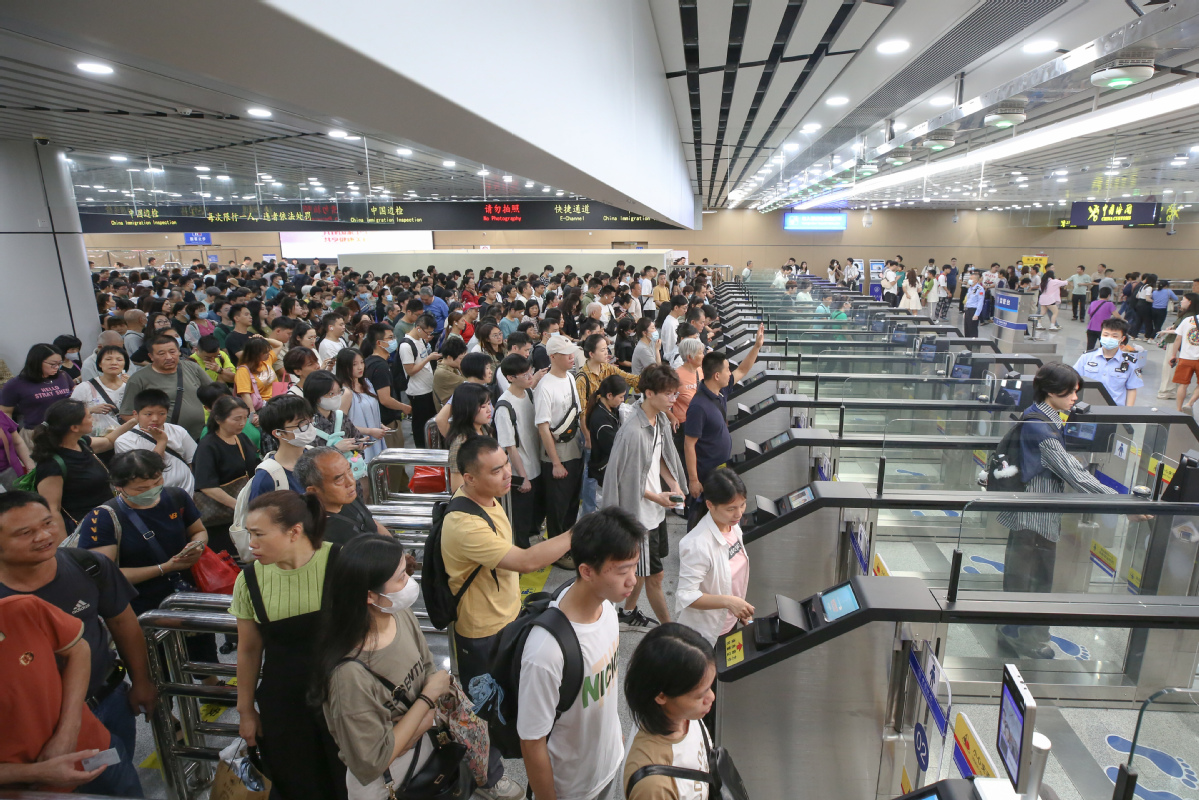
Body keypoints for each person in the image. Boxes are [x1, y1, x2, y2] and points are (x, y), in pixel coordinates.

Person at [441, 436, 571, 800]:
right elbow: (528, 561)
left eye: (505, 465)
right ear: (468, 477)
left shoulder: (490, 499)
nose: (506, 474)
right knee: (484, 709)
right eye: (495, 470)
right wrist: (576, 535)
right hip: (480, 632)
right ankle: (488, 778)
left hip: (506, 618)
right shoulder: (463, 523)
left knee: (507, 699)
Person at [0, 492, 155, 795]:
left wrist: (142, 681)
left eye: (47, 523)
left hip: (108, 700)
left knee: (117, 778)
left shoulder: (88, 565)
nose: (44, 536)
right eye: (26, 532)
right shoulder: (8, 605)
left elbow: (123, 624)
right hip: (34, 730)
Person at [314, 535, 455, 800]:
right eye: (401, 577)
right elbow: (373, 761)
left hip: (423, 754)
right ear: (370, 595)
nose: (409, 584)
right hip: (385, 784)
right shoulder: (348, 674)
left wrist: (410, 729)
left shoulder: (397, 613)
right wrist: (426, 703)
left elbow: (426, 668)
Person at [231, 490, 349, 800]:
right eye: (248, 534)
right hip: (284, 703)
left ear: (294, 531)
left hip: (343, 697)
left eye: (258, 535)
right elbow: (248, 649)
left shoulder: (341, 563)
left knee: (348, 779)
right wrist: (246, 711)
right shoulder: (250, 580)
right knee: (299, 781)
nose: (250, 544)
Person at [518, 507, 641, 800]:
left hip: (607, 765)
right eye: (623, 571)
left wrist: (613, 738)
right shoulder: (545, 652)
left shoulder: (607, 608)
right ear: (586, 571)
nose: (633, 581)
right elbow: (532, 741)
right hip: (570, 788)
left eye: (634, 568)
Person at [996, 363, 1116, 658]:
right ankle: (1023, 638)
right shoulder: (1042, 427)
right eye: (1071, 390)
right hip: (1036, 519)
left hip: (1026, 513)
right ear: (1051, 390)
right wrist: (1119, 501)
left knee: (1020, 576)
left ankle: (1011, 631)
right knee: (1033, 579)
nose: (1076, 397)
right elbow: (1075, 475)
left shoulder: (1035, 415)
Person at [0, 594, 142, 797]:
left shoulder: (20, 609)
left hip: (94, 751)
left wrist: (68, 732)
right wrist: (35, 773)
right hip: (28, 790)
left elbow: (78, 649)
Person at [602, 364, 686, 631]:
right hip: (641, 517)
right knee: (656, 576)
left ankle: (626, 613)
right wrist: (656, 497)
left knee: (642, 568)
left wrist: (673, 484)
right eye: (669, 394)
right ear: (649, 393)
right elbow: (628, 482)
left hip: (655, 510)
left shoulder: (657, 419)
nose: (673, 399)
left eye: (675, 393)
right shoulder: (633, 432)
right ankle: (670, 629)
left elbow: (657, 458)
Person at [622, 623, 716, 800]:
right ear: (661, 696)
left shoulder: (684, 716)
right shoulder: (653, 787)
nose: (711, 697)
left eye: (710, 687)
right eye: (699, 696)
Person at [682, 326, 764, 526]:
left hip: (720, 467)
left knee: (715, 516)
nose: (730, 373)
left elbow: (743, 369)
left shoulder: (720, 392)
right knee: (701, 514)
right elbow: (689, 444)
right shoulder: (698, 406)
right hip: (706, 472)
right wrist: (693, 480)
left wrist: (756, 346)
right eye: (727, 369)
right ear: (716, 375)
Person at [32, 399, 134, 538]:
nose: (92, 419)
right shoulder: (52, 465)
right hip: (87, 530)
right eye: (88, 416)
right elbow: (52, 509)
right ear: (74, 427)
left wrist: (133, 422)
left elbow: (108, 441)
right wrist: (65, 550)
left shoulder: (81, 443)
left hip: (108, 519)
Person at [675, 468, 753, 646]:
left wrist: (737, 608)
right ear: (710, 505)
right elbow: (686, 595)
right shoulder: (696, 544)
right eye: (731, 509)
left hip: (730, 621)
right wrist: (729, 602)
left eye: (742, 505)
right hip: (708, 631)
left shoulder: (732, 525)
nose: (739, 514)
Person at [536, 336, 585, 553]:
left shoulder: (570, 378)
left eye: (572, 353)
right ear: (553, 357)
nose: (572, 358)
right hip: (558, 451)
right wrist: (555, 462)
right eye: (567, 354)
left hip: (575, 446)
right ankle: (556, 551)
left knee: (572, 501)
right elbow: (543, 427)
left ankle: (568, 544)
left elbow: (577, 411)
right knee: (558, 505)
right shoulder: (545, 386)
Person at [192, 395, 259, 555]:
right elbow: (207, 486)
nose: (242, 423)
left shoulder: (241, 437)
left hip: (243, 511)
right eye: (236, 419)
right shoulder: (208, 446)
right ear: (218, 419)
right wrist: (239, 506)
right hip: (221, 519)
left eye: (244, 418)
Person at [119, 334, 213, 441]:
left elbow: (214, 393)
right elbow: (126, 414)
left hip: (199, 435)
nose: (168, 357)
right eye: (161, 354)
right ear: (151, 356)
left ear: (179, 352)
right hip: (165, 440)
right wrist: (153, 431)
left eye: (172, 352)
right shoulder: (138, 379)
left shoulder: (192, 368)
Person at [496, 354, 544, 548]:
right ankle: (522, 553)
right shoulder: (504, 406)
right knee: (521, 518)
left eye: (530, 372)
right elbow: (510, 446)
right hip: (521, 471)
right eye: (524, 374)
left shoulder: (529, 394)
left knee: (536, 513)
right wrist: (522, 476)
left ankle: (534, 541)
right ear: (510, 378)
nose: (529, 376)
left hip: (537, 465)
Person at [114, 388, 198, 494]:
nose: (155, 419)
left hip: (186, 489)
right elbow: (147, 470)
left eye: (161, 414)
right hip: (153, 495)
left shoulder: (178, 431)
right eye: (148, 414)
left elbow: (193, 460)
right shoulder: (124, 441)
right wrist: (161, 442)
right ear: (136, 414)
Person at [0, 343, 75, 439]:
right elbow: (5, 412)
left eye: (60, 363)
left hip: (66, 429)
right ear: (37, 362)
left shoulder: (62, 376)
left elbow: (72, 394)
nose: (57, 367)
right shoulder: (16, 384)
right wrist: (12, 436)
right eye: (53, 364)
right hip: (37, 433)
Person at [250, 395, 319, 499]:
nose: (309, 426)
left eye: (310, 420)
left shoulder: (317, 456)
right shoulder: (267, 477)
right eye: (301, 423)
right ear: (278, 433)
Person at [1072, 318, 1142, 407]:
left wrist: (1127, 413)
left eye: (1114, 336)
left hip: (1114, 410)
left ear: (1122, 338)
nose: (1109, 338)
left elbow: (1131, 388)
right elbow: (1073, 381)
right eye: (1106, 335)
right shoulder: (1087, 357)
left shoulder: (1130, 362)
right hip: (1086, 407)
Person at [361, 324, 411, 450]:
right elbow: (385, 399)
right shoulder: (380, 367)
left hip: (377, 420)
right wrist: (404, 407)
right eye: (390, 338)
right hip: (387, 423)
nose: (394, 340)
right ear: (379, 343)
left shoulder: (369, 361)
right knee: (394, 461)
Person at [334, 349, 388, 463]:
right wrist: (370, 431)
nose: (360, 367)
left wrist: (379, 424)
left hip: (375, 439)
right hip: (360, 443)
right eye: (354, 364)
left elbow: (369, 410)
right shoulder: (345, 392)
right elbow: (342, 426)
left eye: (362, 362)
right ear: (344, 367)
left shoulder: (366, 383)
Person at [400, 313, 441, 449]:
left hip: (428, 388)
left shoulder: (421, 340)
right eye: (427, 332)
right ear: (418, 328)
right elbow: (410, 370)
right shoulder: (406, 345)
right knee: (419, 426)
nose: (429, 335)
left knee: (429, 423)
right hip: (417, 392)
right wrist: (428, 359)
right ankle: (421, 451)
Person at [70, 344, 129, 438]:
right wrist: (90, 410)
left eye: (119, 360)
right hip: (97, 439)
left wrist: (134, 385)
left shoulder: (130, 385)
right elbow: (69, 413)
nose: (114, 363)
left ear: (125, 364)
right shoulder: (85, 387)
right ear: (100, 364)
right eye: (108, 359)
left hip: (127, 438)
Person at [235, 336, 281, 418]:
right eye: (265, 352)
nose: (268, 353)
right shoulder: (243, 370)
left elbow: (279, 344)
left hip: (277, 401)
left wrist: (263, 339)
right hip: (262, 407)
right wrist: (253, 413)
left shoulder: (266, 361)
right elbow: (245, 394)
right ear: (255, 354)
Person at [1169, 293, 1199, 411]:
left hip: (1185, 358)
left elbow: (1178, 339)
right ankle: (1190, 403)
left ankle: (1178, 409)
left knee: (1183, 385)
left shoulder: (1187, 320)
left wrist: (1173, 355)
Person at [433, 336, 468, 412]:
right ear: (449, 357)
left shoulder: (451, 366)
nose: (463, 361)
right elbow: (469, 383)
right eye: (461, 358)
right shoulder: (444, 373)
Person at [1085, 286, 1118, 351]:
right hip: (1103, 329)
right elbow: (1116, 316)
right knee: (1104, 348)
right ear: (1109, 295)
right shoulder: (1110, 304)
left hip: (1091, 328)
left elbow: (1090, 314)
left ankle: (1087, 359)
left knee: (1090, 347)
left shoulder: (1093, 303)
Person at [963, 271, 984, 339]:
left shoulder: (980, 289)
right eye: (970, 278)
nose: (970, 280)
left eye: (971, 279)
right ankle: (967, 345)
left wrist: (977, 314)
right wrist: (965, 310)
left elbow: (980, 302)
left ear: (976, 280)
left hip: (973, 310)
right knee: (967, 329)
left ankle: (974, 346)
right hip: (967, 310)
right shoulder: (970, 288)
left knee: (972, 329)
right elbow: (968, 300)